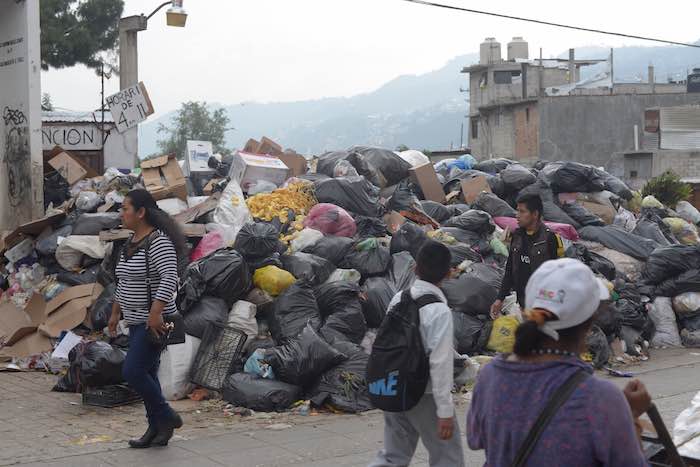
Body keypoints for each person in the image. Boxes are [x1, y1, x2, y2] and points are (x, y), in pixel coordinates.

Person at [468, 258, 651, 466]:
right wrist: (631, 417)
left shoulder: (490, 375)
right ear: (590, 322)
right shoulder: (600, 398)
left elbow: (476, 440)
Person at [369, 240, 465, 467]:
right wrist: (445, 411)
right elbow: (440, 364)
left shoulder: (399, 298)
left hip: (394, 384)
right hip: (426, 395)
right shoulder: (439, 311)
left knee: (394, 455)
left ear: (415, 269)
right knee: (448, 457)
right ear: (449, 273)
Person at [108, 189, 187, 449]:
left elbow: (169, 278)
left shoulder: (158, 241)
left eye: (125, 208)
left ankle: (166, 415)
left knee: (133, 371)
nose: (122, 213)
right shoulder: (130, 242)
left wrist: (155, 313)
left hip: (154, 322)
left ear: (141, 212)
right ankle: (156, 429)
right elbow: (123, 280)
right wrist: (115, 313)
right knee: (148, 373)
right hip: (134, 320)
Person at [491, 193, 564, 318]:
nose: (517, 215)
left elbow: (557, 278)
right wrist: (500, 298)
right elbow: (510, 269)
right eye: (517, 210)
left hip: (542, 306)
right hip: (523, 302)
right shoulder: (517, 236)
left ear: (535, 214)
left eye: (522, 211)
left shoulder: (550, 239)